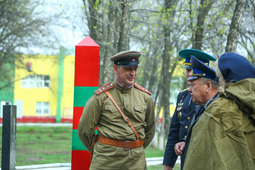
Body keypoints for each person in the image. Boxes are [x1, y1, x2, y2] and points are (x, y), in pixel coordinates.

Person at [78, 51, 155, 170]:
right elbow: (84, 130)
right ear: (115, 68)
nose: (133, 73)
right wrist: (102, 149)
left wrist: (135, 147)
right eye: (128, 69)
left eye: (135, 69)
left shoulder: (145, 97)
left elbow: (150, 130)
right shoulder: (100, 97)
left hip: (135, 162)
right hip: (105, 161)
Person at [183, 52, 255, 170]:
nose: (219, 82)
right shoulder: (247, 103)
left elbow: (199, 158)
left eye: (220, 77)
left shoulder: (220, 110)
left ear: (225, 79)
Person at [163, 49, 216, 170]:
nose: (189, 74)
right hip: (185, 159)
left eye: (192, 70)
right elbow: (174, 132)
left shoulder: (212, 99)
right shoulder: (183, 96)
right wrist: (168, 165)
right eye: (187, 70)